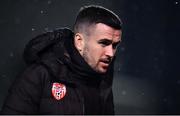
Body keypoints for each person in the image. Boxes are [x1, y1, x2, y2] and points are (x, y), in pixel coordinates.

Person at [1, 5, 122, 114]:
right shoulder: (39, 75)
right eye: (104, 43)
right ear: (79, 42)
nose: (110, 53)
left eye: (115, 45)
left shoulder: (102, 84)